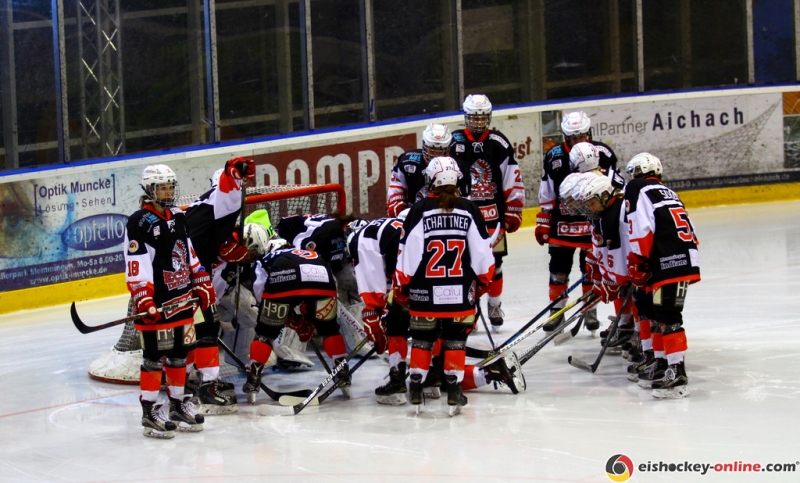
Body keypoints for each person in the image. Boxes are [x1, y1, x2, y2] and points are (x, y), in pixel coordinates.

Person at [394, 156, 498, 416]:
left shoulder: (419, 210)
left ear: (431, 180)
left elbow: (408, 253)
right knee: (455, 341)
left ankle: (416, 388)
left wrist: (402, 285)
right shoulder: (469, 209)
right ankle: (453, 391)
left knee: (422, 340)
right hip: (460, 292)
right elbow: (483, 254)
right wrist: (484, 281)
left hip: (424, 292)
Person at [124, 164, 215, 438]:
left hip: (182, 300)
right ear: (149, 190)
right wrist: (143, 296)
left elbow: (188, 253)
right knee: (153, 358)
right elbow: (136, 262)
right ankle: (149, 412)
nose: (166, 192)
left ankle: (177, 405)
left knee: (179, 354)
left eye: (169, 187)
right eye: (161, 188)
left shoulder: (178, 216)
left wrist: (200, 279)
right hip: (158, 302)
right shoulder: (139, 222)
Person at [623, 153, 700, 399]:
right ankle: (661, 363)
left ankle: (677, 374)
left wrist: (639, 259)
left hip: (667, 260)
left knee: (667, 315)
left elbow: (639, 225)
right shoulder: (669, 192)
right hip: (681, 258)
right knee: (658, 313)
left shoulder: (636, 187)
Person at [536, 111, 620, 333]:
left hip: (593, 222)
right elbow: (547, 188)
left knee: (590, 269)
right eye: (574, 138)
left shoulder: (603, 153)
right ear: (566, 137)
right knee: (558, 270)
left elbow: (614, 187)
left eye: (582, 136)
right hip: (562, 223)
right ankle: (556, 311)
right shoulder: (554, 156)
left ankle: (589, 309)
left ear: (588, 133)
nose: (578, 141)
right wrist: (544, 219)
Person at [184, 157, 255, 415]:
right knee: (206, 329)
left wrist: (220, 254)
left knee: (193, 330)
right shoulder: (217, 200)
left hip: (184, 274)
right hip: (191, 276)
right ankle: (207, 387)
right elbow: (227, 193)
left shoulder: (201, 209)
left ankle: (188, 378)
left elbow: (204, 241)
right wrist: (233, 174)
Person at [243, 238, 353, 403]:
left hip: (283, 281)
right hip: (323, 282)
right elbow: (325, 285)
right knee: (330, 329)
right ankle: (342, 371)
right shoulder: (309, 253)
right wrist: (310, 316)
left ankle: (253, 378)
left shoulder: (266, 258)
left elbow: (261, 290)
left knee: (265, 333)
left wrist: (283, 317)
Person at [449, 94, 525, 330]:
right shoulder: (453, 141)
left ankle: (494, 305)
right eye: (474, 117)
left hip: (493, 217)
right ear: (466, 117)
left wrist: (513, 209)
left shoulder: (499, 143)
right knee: (465, 265)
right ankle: (469, 309)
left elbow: (512, 177)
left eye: (482, 118)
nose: (479, 122)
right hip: (464, 216)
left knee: (496, 264)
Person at [387, 123, 453, 217]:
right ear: (425, 145)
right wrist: (404, 214)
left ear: (447, 149)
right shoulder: (406, 161)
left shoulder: (457, 166)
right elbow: (395, 199)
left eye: (441, 150)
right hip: (413, 215)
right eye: (432, 149)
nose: (436, 154)